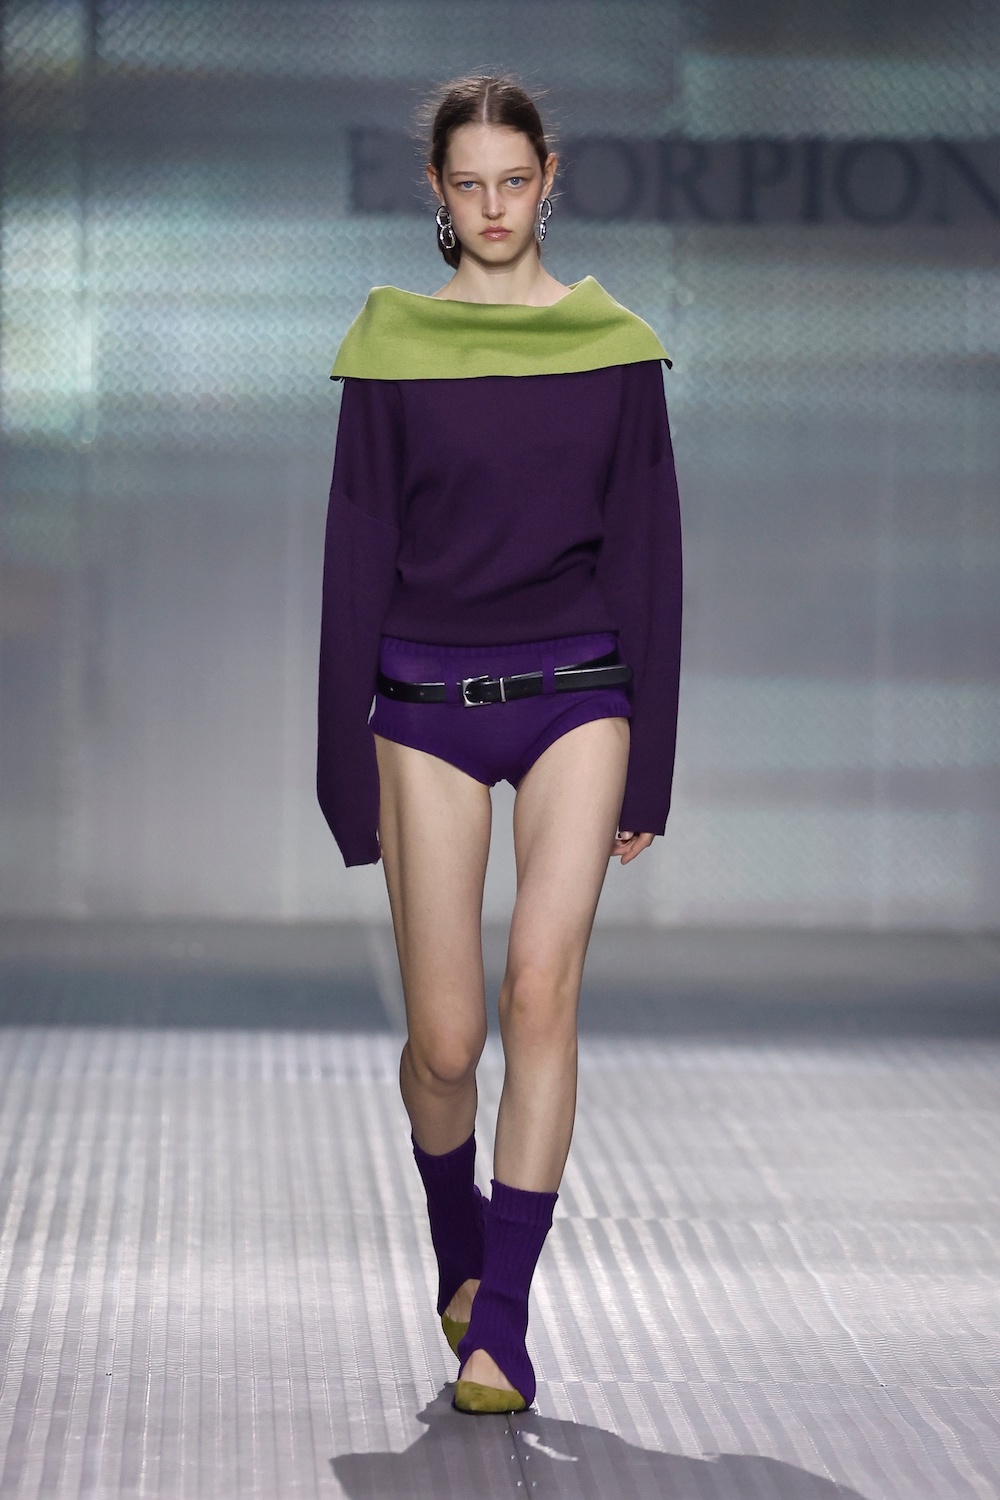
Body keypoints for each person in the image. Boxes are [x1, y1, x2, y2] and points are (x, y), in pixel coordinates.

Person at [317, 74, 682, 1415]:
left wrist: (653, 764)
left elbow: (648, 558)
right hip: (422, 700)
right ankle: (456, 1248)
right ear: (438, 191)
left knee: (540, 993)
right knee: (447, 1042)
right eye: (467, 184)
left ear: (548, 181)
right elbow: (356, 554)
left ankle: (505, 1327)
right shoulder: (392, 345)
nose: (491, 206)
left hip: (579, 688)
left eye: (512, 181)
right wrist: (338, 758)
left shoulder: (614, 346)